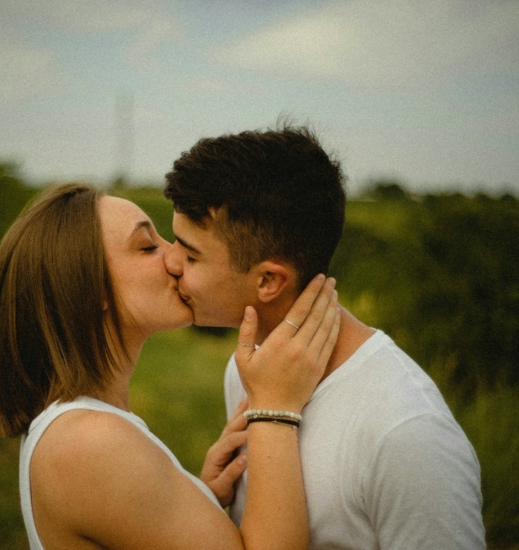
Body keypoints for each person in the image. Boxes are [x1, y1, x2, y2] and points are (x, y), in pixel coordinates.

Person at [163, 124, 486, 549]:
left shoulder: (408, 435)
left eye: (190, 254)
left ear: (268, 281)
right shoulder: (248, 368)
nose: (170, 261)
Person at [0, 183, 341, 550]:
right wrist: (275, 407)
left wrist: (193, 499)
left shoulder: (77, 426)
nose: (175, 259)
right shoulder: (90, 442)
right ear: (93, 290)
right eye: (147, 246)